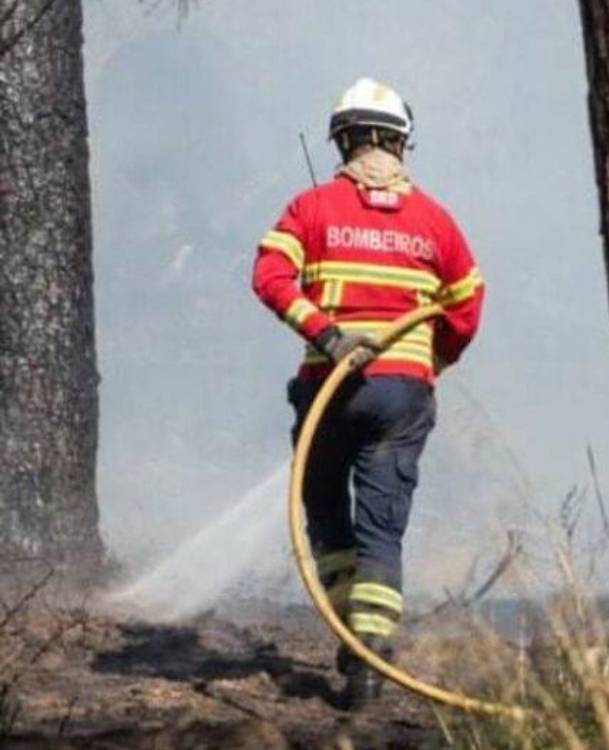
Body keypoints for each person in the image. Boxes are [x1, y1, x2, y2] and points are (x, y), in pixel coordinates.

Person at [251, 77, 484, 708]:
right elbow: (466, 304)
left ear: (343, 139)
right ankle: (370, 660)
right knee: (382, 529)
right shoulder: (435, 219)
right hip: (401, 396)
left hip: (330, 389)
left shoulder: (311, 208)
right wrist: (431, 360)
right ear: (401, 143)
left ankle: (353, 635)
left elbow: (269, 275)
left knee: (326, 510)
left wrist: (325, 334)